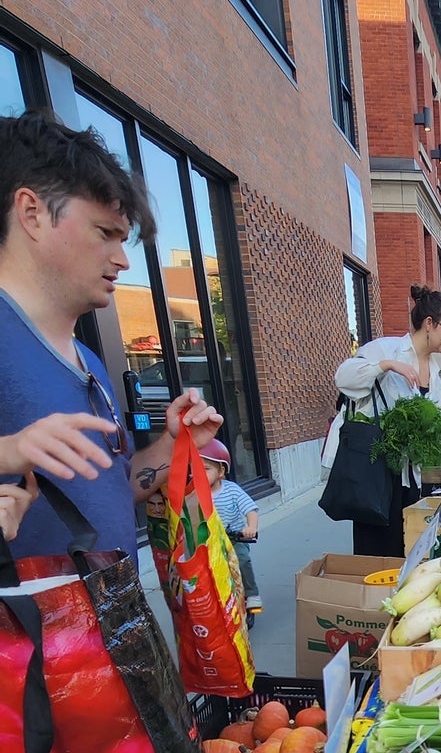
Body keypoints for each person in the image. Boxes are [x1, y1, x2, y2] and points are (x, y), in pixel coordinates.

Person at [0, 111, 222, 571]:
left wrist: (172, 446)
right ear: (31, 212)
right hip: (31, 640)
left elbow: (110, 492)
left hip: (102, 633)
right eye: (105, 234)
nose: (122, 260)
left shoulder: (88, 361)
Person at [333, 284, 441, 558]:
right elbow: (344, 378)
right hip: (375, 473)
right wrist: (386, 366)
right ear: (429, 323)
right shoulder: (386, 349)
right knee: (376, 551)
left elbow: (429, 425)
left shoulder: (433, 370)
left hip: (408, 476)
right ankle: (371, 598)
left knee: (406, 548)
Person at [201, 439, 262, 625]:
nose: (199, 474)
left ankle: (251, 596)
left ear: (221, 471)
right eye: (195, 469)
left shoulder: (232, 490)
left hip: (234, 539)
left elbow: (250, 510)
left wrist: (251, 528)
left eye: (206, 469)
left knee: (242, 559)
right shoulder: (194, 494)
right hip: (209, 542)